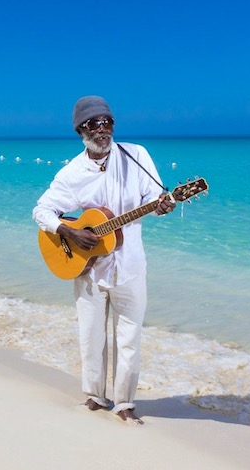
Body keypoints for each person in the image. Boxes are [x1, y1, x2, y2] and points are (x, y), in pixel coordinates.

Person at [32, 95, 176, 424]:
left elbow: (152, 198)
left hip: (130, 266)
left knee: (129, 338)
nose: (103, 129)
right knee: (91, 336)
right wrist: (68, 233)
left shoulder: (136, 156)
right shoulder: (72, 172)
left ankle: (125, 403)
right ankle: (95, 396)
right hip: (87, 268)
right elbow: (41, 210)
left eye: (108, 122)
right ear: (81, 129)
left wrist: (163, 204)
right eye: (95, 123)